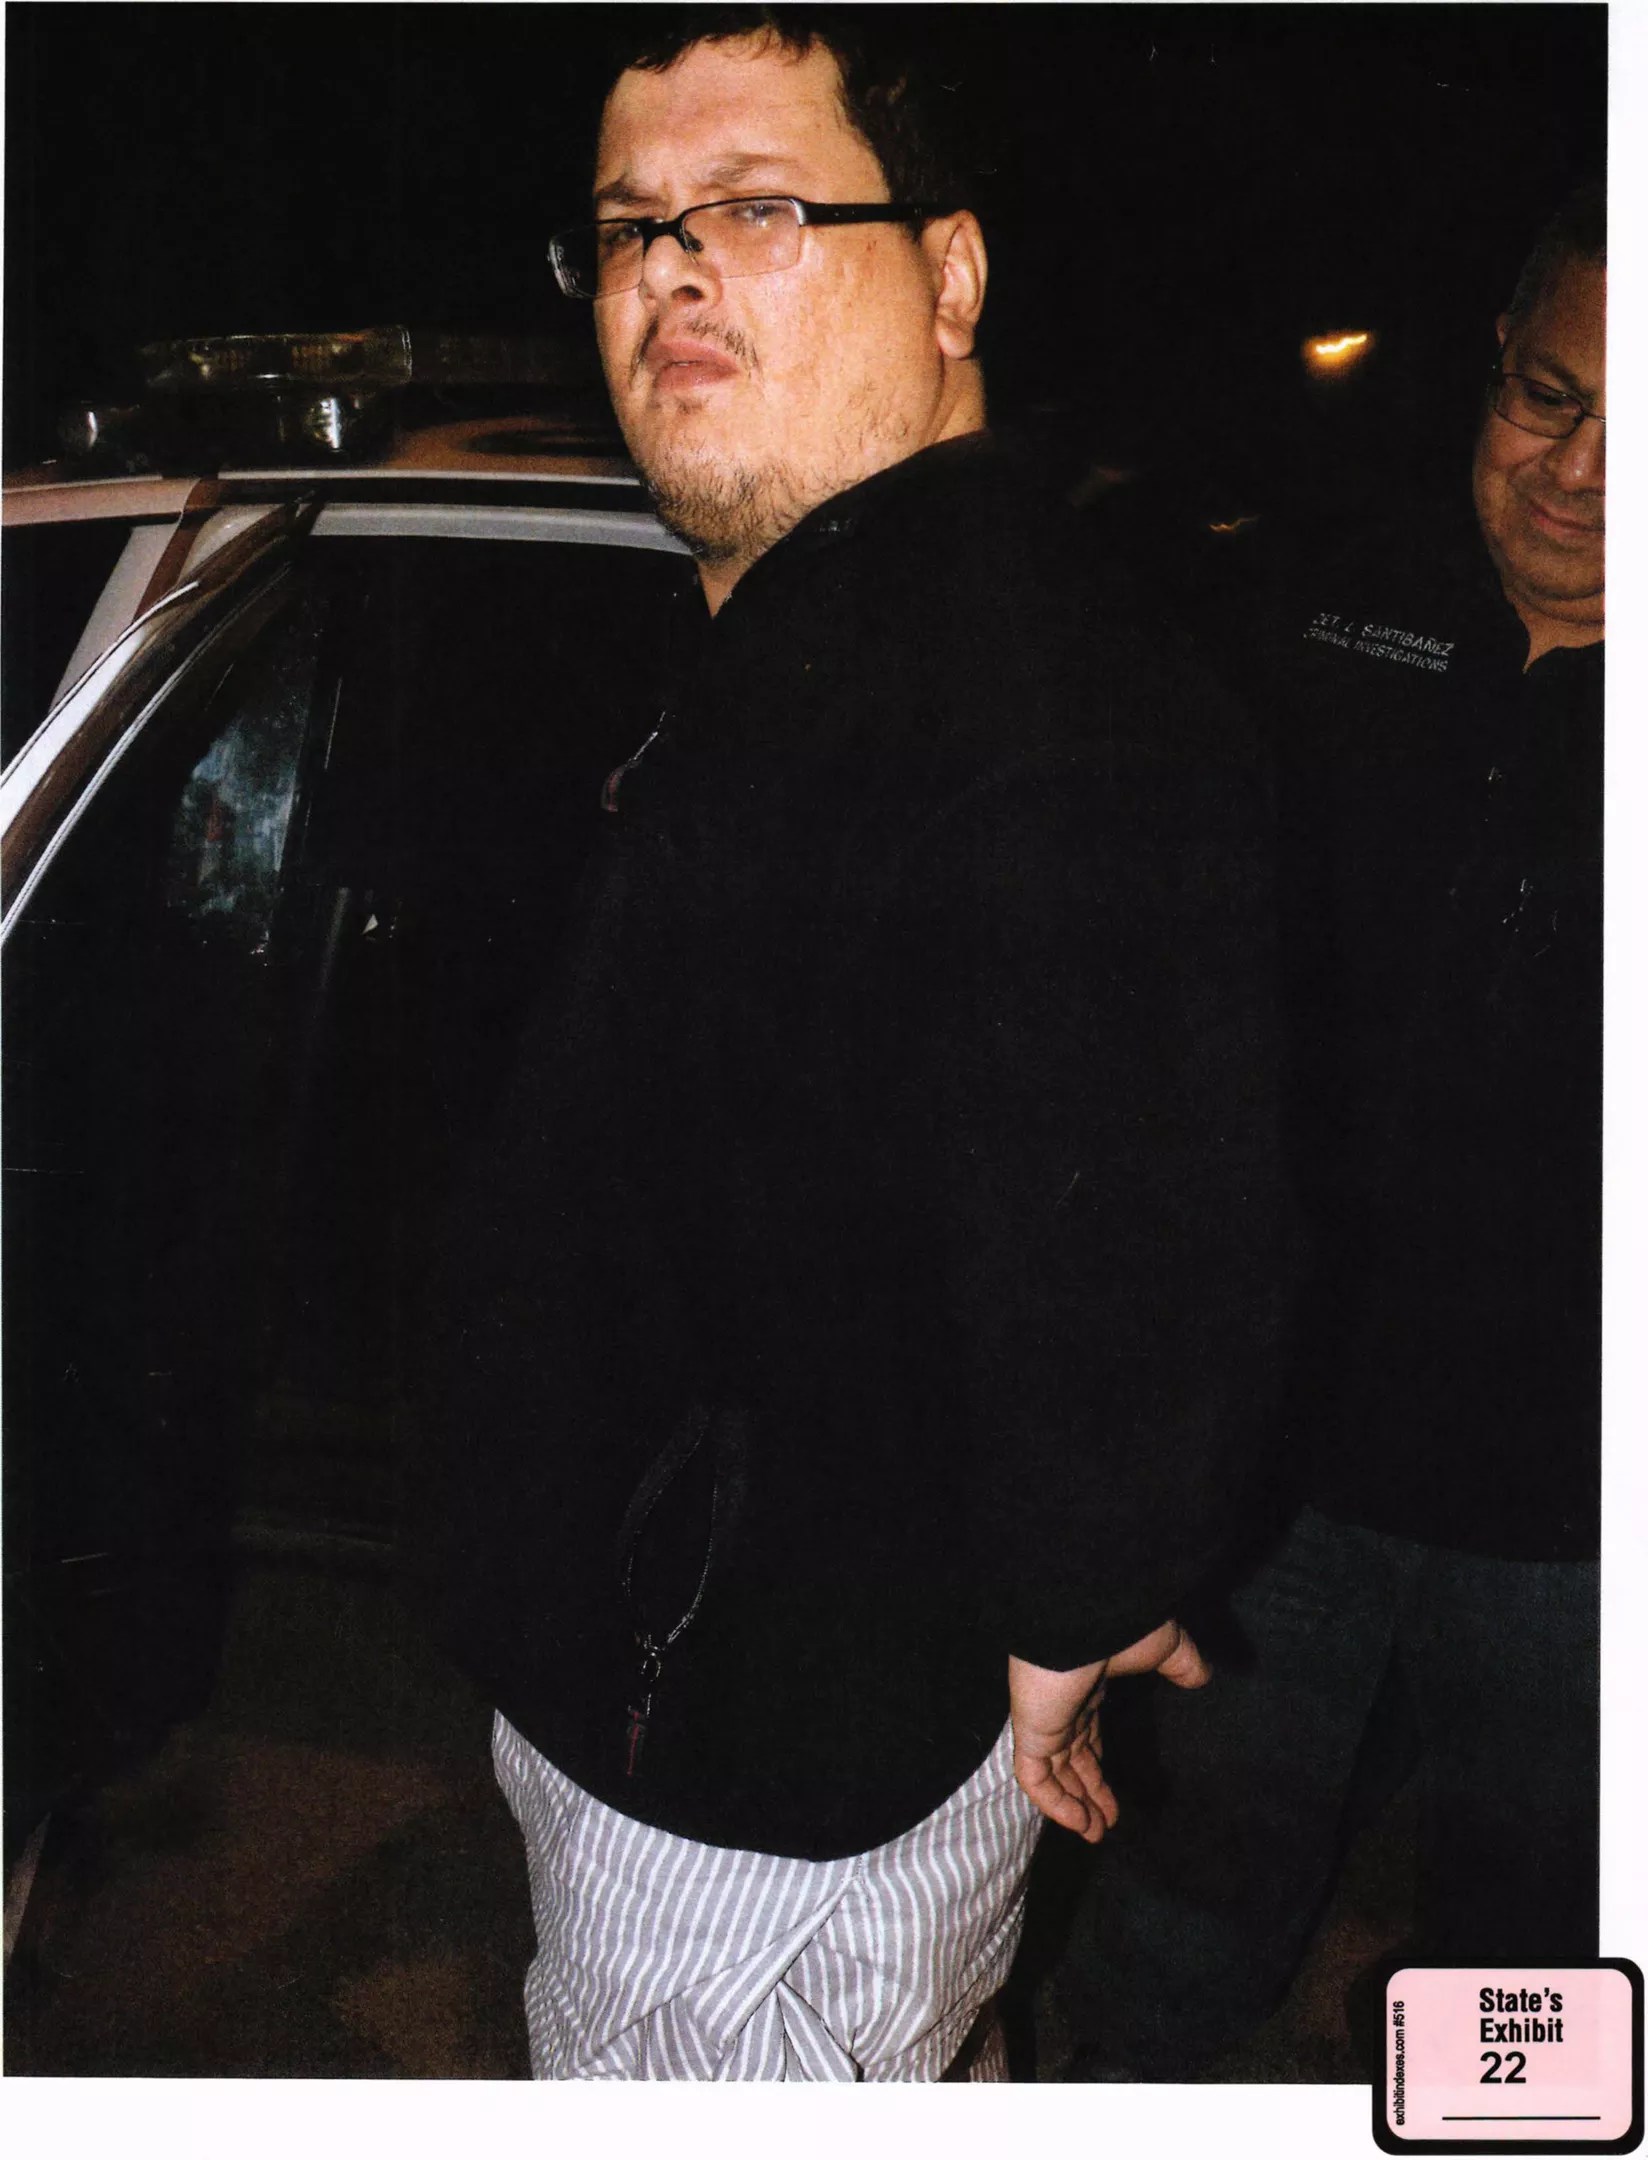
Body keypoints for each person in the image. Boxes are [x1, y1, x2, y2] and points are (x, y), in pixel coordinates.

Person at [425, 9, 1286, 2081]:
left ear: (951, 276)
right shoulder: (821, 635)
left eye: (756, 209)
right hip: (705, 1694)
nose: (669, 273)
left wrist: (1073, 1598)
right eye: (628, 228)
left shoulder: (1018, 689)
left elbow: (1154, 1211)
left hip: (758, 1788)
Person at [1057, 181, 1605, 2079]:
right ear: (1496, 361)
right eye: (1548, 397)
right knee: (1176, 1913)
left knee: (1535, 1965)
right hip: (1281, 1470)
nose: (1577, 474)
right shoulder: (1314, 602)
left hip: (1578, 1530)